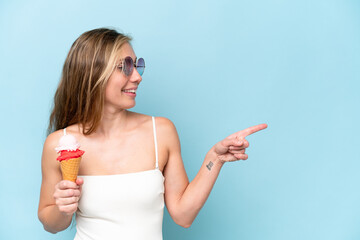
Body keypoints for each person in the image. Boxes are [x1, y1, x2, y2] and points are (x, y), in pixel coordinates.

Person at [37, 27, 267, 240]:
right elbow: (51, 224)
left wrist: (215, 159)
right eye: (125, 67)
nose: (137, 76)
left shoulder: (161, 132)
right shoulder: (60, 144)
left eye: (138, 65)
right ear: (92, 74)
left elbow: (183, 216)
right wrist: (62, 208)